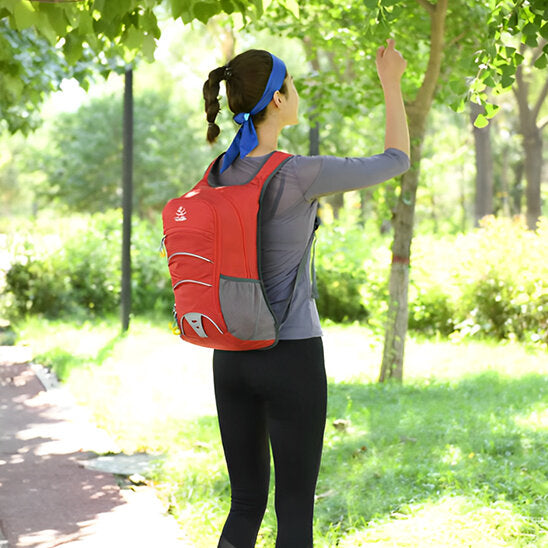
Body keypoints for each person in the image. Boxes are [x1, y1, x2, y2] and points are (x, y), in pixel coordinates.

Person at [201, 40, 410, 548]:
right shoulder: (298, 173)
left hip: (229, 355)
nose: (295, 94)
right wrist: (391, 83)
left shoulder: (217, 174)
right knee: (294, 510)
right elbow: (396, 159)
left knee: (245, 503)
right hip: (290, 355)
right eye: (290, 85)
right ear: (276, 100)